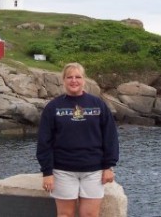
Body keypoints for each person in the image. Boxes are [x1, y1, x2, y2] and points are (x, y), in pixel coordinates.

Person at [36, 62, 119, 217]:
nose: (74, 80)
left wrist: (109, 166)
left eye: (78, 77)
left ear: (84, 80)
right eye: (70, 77)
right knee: (65, 215)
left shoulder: (98, 105)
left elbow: (110, 137)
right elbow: (44, 142)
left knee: (90, 215)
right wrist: (47, 172)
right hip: (63, 171)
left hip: (93, 171)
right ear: (64, 80)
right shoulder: (53, 107)